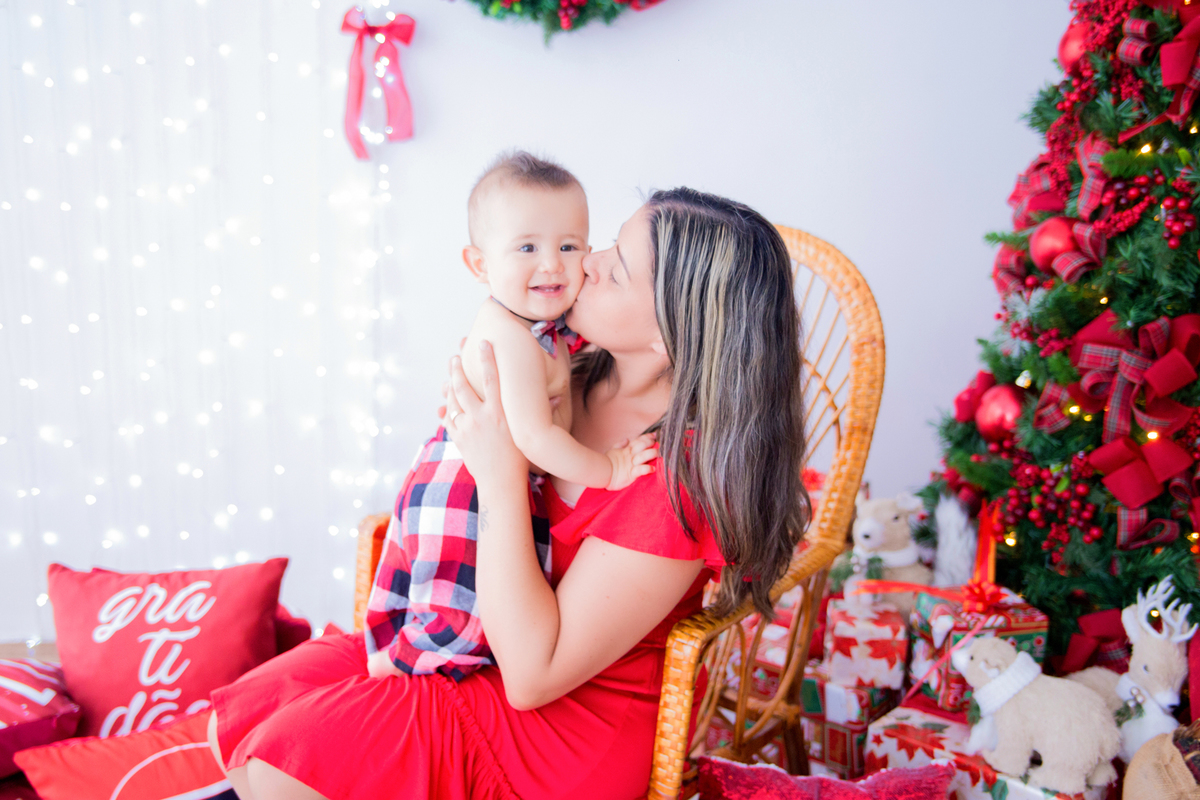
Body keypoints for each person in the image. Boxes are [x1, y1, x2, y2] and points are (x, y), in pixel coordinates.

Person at [206, 187, 810, 800]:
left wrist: (499, 475)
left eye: (618, 269)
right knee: (247, 714)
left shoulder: (676, 480)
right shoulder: (573, 364)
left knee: (287, 763)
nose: (587, 262)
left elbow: (534, 675)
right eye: (607, 243)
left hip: (557, 722)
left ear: (669, 338)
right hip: (476, 640)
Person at [364, 151, 655, 683]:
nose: (554, 265)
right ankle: (397, 661)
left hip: (476, 478)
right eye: (527, 247)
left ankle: (394, 652)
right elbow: (537, 439)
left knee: (463, 596)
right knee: (461, 607)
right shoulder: (513, 338)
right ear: (480, 265)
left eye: (570, 247)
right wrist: (610, 469)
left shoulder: (546, 327)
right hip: (463, 489)